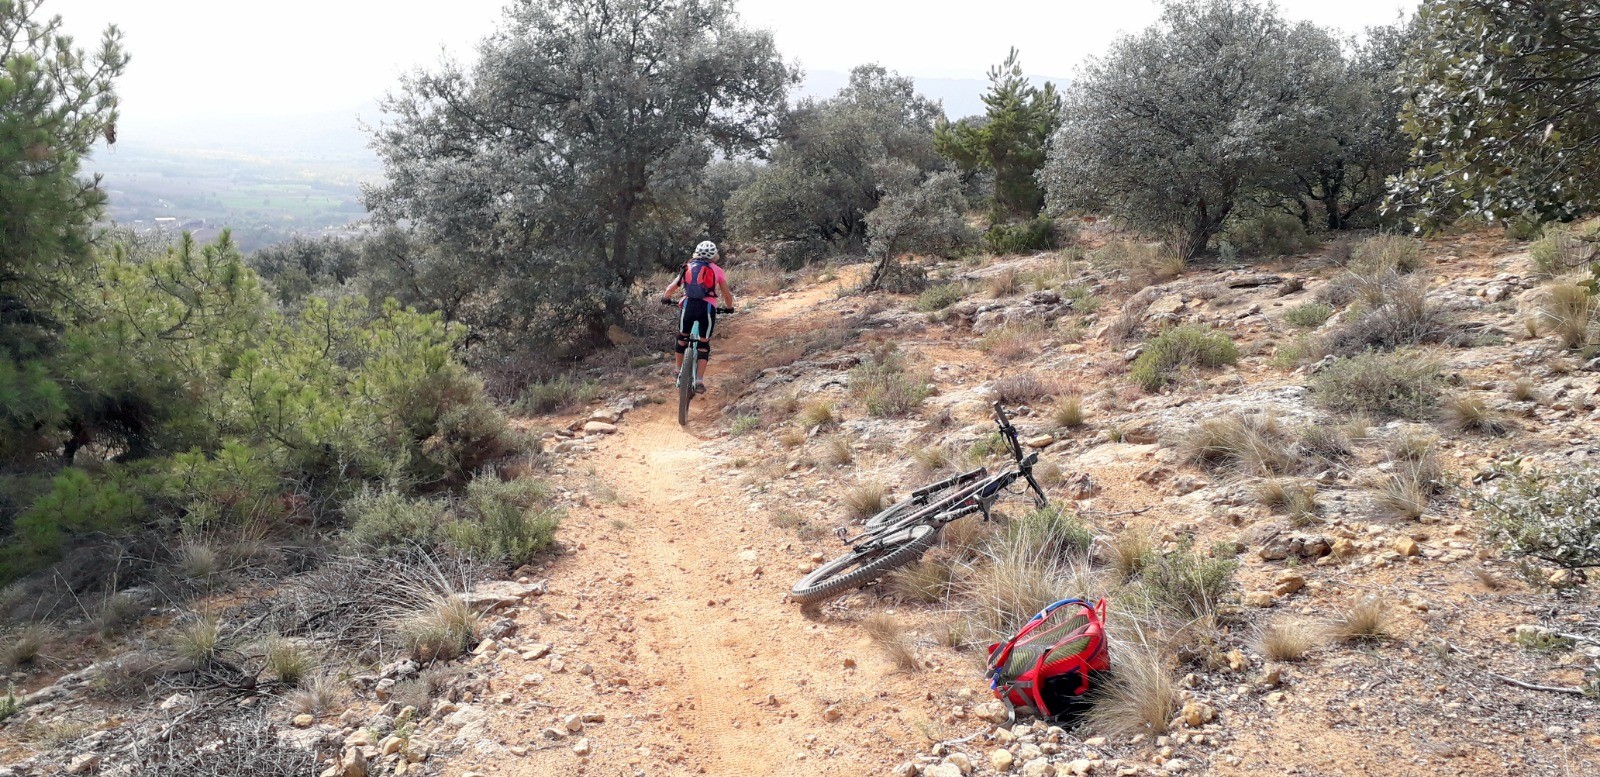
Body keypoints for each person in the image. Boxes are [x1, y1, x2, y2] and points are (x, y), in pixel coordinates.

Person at [662, 240, 735, 394]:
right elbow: (726, 294)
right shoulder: (718, 270)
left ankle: (677, 370)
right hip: (707, 309)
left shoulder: (687, 267)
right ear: (714, 255)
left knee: (682, 338)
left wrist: (666, 297)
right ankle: (699, 381)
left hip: (688, 306)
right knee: (703, 344)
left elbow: (672, 287)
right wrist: (729, 308)